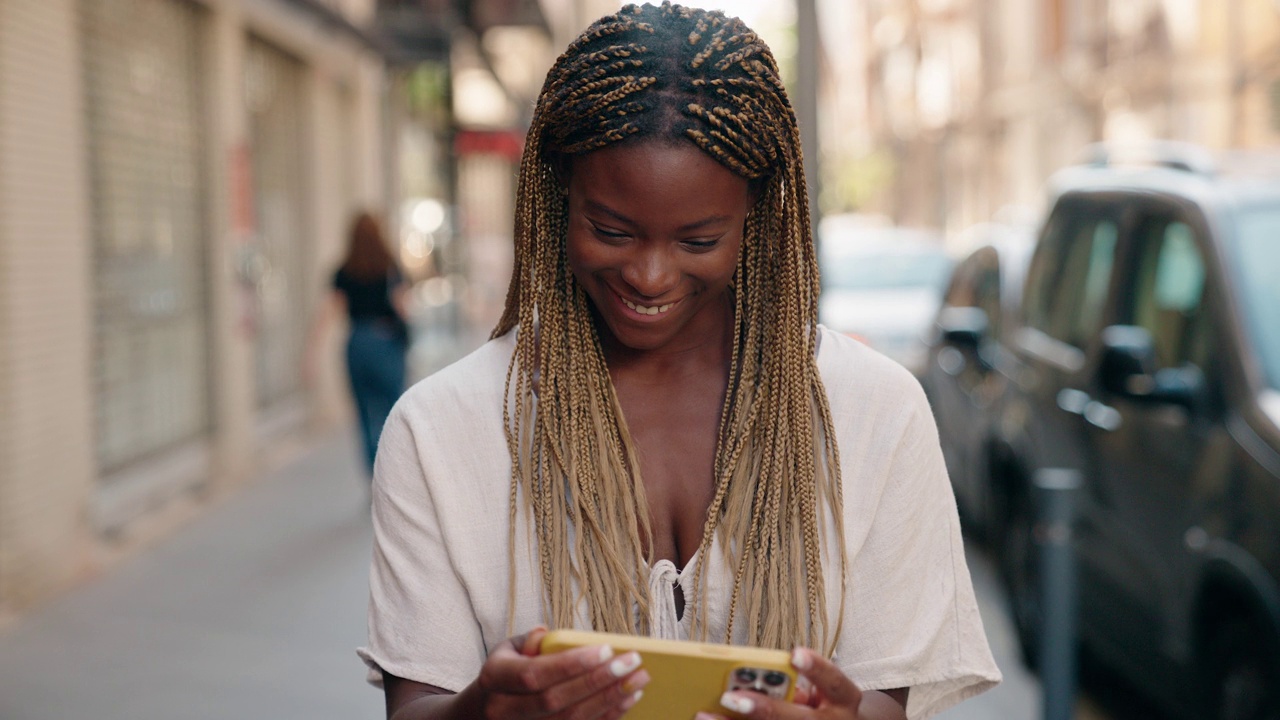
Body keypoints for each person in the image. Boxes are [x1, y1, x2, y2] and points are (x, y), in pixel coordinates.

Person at [358, 3, 1001, 719]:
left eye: (697, 240)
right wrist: (486, 709)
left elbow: (886, 695)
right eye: (611, 230)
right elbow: (416, 708)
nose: (651, 276)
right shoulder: (442, 429)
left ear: (756, 214)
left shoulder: (875, 411)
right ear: (557, 195)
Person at [307, 211, 410, 476]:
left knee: (364, 417)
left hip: (356, 343)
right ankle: (394, 477)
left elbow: (329, 312)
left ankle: (374, 478)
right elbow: (402, 307)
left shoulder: (344, 270)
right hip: (385, 341)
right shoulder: (389, 266)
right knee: (392, 414)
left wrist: (311, 353)